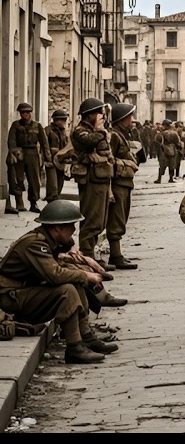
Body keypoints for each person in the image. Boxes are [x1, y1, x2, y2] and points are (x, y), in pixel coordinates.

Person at [0, 200, 120, 363]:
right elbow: (55, 275)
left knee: (75, 281)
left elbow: (67, 248)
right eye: (71, 225)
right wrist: (87, 276)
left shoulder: (48, 238)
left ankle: (86, 337)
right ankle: (75, 348)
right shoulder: (34, 244)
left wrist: (83, 262)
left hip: (22, 293)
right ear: (57, 229)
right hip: (10, 298)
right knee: (67, 289)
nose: (74, 229)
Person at [69, 97, 115, 270]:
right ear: (89, 115)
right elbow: (89, 141)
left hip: (101, 178)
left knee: (100, 220)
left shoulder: (97, 130)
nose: (102, 116)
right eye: (98, 113)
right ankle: (87, 257)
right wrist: (100, 131)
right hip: (90, 180)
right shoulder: (80, 131)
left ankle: (92, 255)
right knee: (91, 219)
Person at [105, 103, 140, 270]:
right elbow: (108, 161)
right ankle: (115, 255)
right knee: (116, 219)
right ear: (121, 119)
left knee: (122, 217)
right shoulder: (114, 136)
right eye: (129, 117)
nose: (131, 120)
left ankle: (117, 254)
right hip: (117, 184)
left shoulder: (122, 135)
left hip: (125, 183)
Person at [6, 102, 50, 214]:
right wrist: (15, 152)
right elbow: (11, 141)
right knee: (18, 178)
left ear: (30, 113)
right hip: (20, 153)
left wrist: (47, 158)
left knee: (34, 179)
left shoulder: (37, 126)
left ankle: (33, 203)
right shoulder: (15, 125)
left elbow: (44, 143)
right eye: (22, 112)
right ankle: (19, 202)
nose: (24, 114)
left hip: (33, 153)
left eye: (26, 112)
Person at [44, 109, 70, 205]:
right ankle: (51, 201)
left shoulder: (65, 132)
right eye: (62, 119)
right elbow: (44, 145)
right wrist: (46, 159)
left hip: (61, 160)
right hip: (51, 159)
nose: (63, 122)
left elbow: (67, 145)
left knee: (60, 183)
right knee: (52, 184)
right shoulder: (48, 130)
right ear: (56, 120)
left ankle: (55, 200)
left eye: (64, 119)